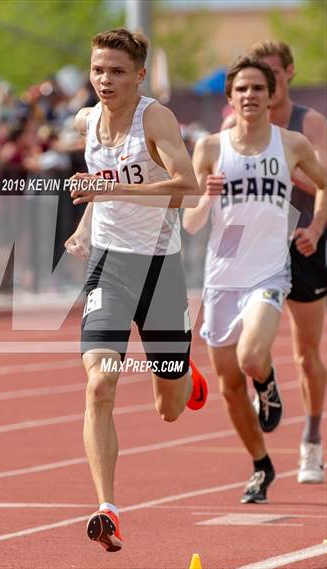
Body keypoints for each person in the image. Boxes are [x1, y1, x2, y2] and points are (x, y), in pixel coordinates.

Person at [64, 28, 208, 553]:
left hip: (160, 272)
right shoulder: (85, 121)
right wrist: (84, 228)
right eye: (98, 69)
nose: (105, 79)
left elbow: (187, 187)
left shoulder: (156, 118)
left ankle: (186, 375)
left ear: (140, 75)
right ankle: (108, 508)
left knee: (168, 408)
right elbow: (98, 189)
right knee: (99, 384)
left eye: (118, 71)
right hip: (109, 268)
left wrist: (109, 188)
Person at [183, 55, 326, 504]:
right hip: (222, 277)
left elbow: (324, 183)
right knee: (228, 385)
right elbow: (189, 223)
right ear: (230, 98)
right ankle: (261, 466)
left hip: (268, 272)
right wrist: (205, 201)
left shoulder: (291, 145)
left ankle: (267, 384)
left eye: (258, 89)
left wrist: (315, 227)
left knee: (251, 357)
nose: (250, 96)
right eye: (241, 89)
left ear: (272, 95)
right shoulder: (209, 148)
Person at [222, 41, 326, 485]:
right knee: (247, 351)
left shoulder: (308, 124)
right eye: (253, 78)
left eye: (272, 76)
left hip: (303, 242)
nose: (262, 86)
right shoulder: (232, 123)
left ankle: (312, 441)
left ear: (287, 75)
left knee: (306, 354)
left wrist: (316, 230)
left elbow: (323, 183)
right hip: (254, 250)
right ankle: (265, 382)